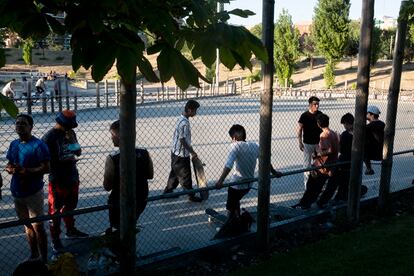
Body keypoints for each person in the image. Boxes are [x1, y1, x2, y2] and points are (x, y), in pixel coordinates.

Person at [5, 114, 50, 263]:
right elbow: (10, 163)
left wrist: (27, 171)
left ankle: (44, 259)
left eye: (23, 123)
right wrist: (10, 168)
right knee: (27, 226)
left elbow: (46, 168)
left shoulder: (38, 145)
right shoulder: (14, 144)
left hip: (33, 193)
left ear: (31, 127)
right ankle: (34, 255)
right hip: (17, 192)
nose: (19, 126)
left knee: (38, 227)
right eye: (17, 123)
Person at [42, 110, 88, 253]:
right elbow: (44, 161)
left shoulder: (70, 133)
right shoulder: (49, 137)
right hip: (57, 179)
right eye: (68, 126)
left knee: (70, 206)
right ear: (60, 123)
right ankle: (55, 239)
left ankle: (70, 230)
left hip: (72, 176)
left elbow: (78, 152)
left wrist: (72, 141)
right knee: (55, 210)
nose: (70, 128)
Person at [215, 124, 281, 219]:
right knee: (236, 201)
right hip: (248, 184)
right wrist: (274, 172)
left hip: (236, 185)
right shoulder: (254, 145)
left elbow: (228, 165)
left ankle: (230, 224)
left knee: (231, 206)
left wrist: (220, 181)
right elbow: (265, 161)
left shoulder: (235, 146)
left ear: (234, 137)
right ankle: (237, 217)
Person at [103, 120, 153, 234]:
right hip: (141, 197)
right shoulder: (144, 152)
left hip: (119, 200)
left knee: (118, 226)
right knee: (131, 222)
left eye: (113, 135)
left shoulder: (112, 158)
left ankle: (120, 243)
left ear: (121, 136)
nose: (111, 138)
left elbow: (107, 186)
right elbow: (150, 175)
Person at [316, 113, 368, 208]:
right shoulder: (359, 134)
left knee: (332, 184)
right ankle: (340, 198)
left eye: (344, 124)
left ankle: (322, 202)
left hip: (342, 161)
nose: (344, 126)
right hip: (352, 162)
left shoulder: (345, 135)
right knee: (344, 183)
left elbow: (340, 149)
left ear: (347, 123)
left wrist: (338, 139)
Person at [292, 113, 339, 209]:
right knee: (317, 187)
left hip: (321, 166)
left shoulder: (323, 135)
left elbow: (328, 150)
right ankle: (307, 203)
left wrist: (317, 154)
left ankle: (304, 204)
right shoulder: (333, 133)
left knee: (311, 186)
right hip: (330, 164)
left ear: (318, 124)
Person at [163, 100, 203, 202]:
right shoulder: (184, 123)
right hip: (181, 154)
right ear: (189, 110)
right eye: (195, 111)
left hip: (175, 152)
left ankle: (168, 191)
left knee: (175, 172)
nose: (196, 113)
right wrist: (192, 152)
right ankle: (190, 195)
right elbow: (182, 140)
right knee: (185, 176)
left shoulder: (181, 119)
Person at [297, 96, 323, 187]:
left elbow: (324, 127)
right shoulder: (304, 115)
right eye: (315, 104)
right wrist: (300, 142)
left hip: (318, 144)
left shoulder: (320, 114)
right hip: (308, 144)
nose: (317, 106)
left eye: (318, 104)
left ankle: (319, 186)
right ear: (310, 105)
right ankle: (307, 186)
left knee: (320, 165)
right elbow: (299, 129)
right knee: (307, 166)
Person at [364, 105, 385, 175]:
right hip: (383, 152)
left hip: (372, 153)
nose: (366, 115)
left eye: (367, 113)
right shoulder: (383, 124)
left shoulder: (368, 127)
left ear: (371, 114)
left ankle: (368, 168)